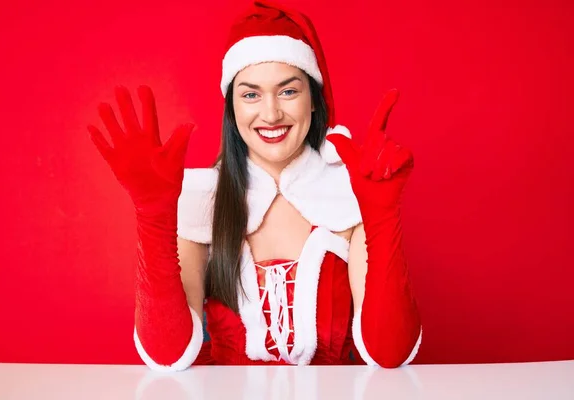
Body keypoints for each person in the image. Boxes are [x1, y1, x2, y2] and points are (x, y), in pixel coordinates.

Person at [88, 0, 422, 371]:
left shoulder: (348, 194)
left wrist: (383, 214)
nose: (270, 113)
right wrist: (153, 215)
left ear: (314, 101)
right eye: (250, 94)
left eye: (288, 91)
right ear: (232, 108)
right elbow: (167, 356)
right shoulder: (201, 200)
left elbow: (389, 353)